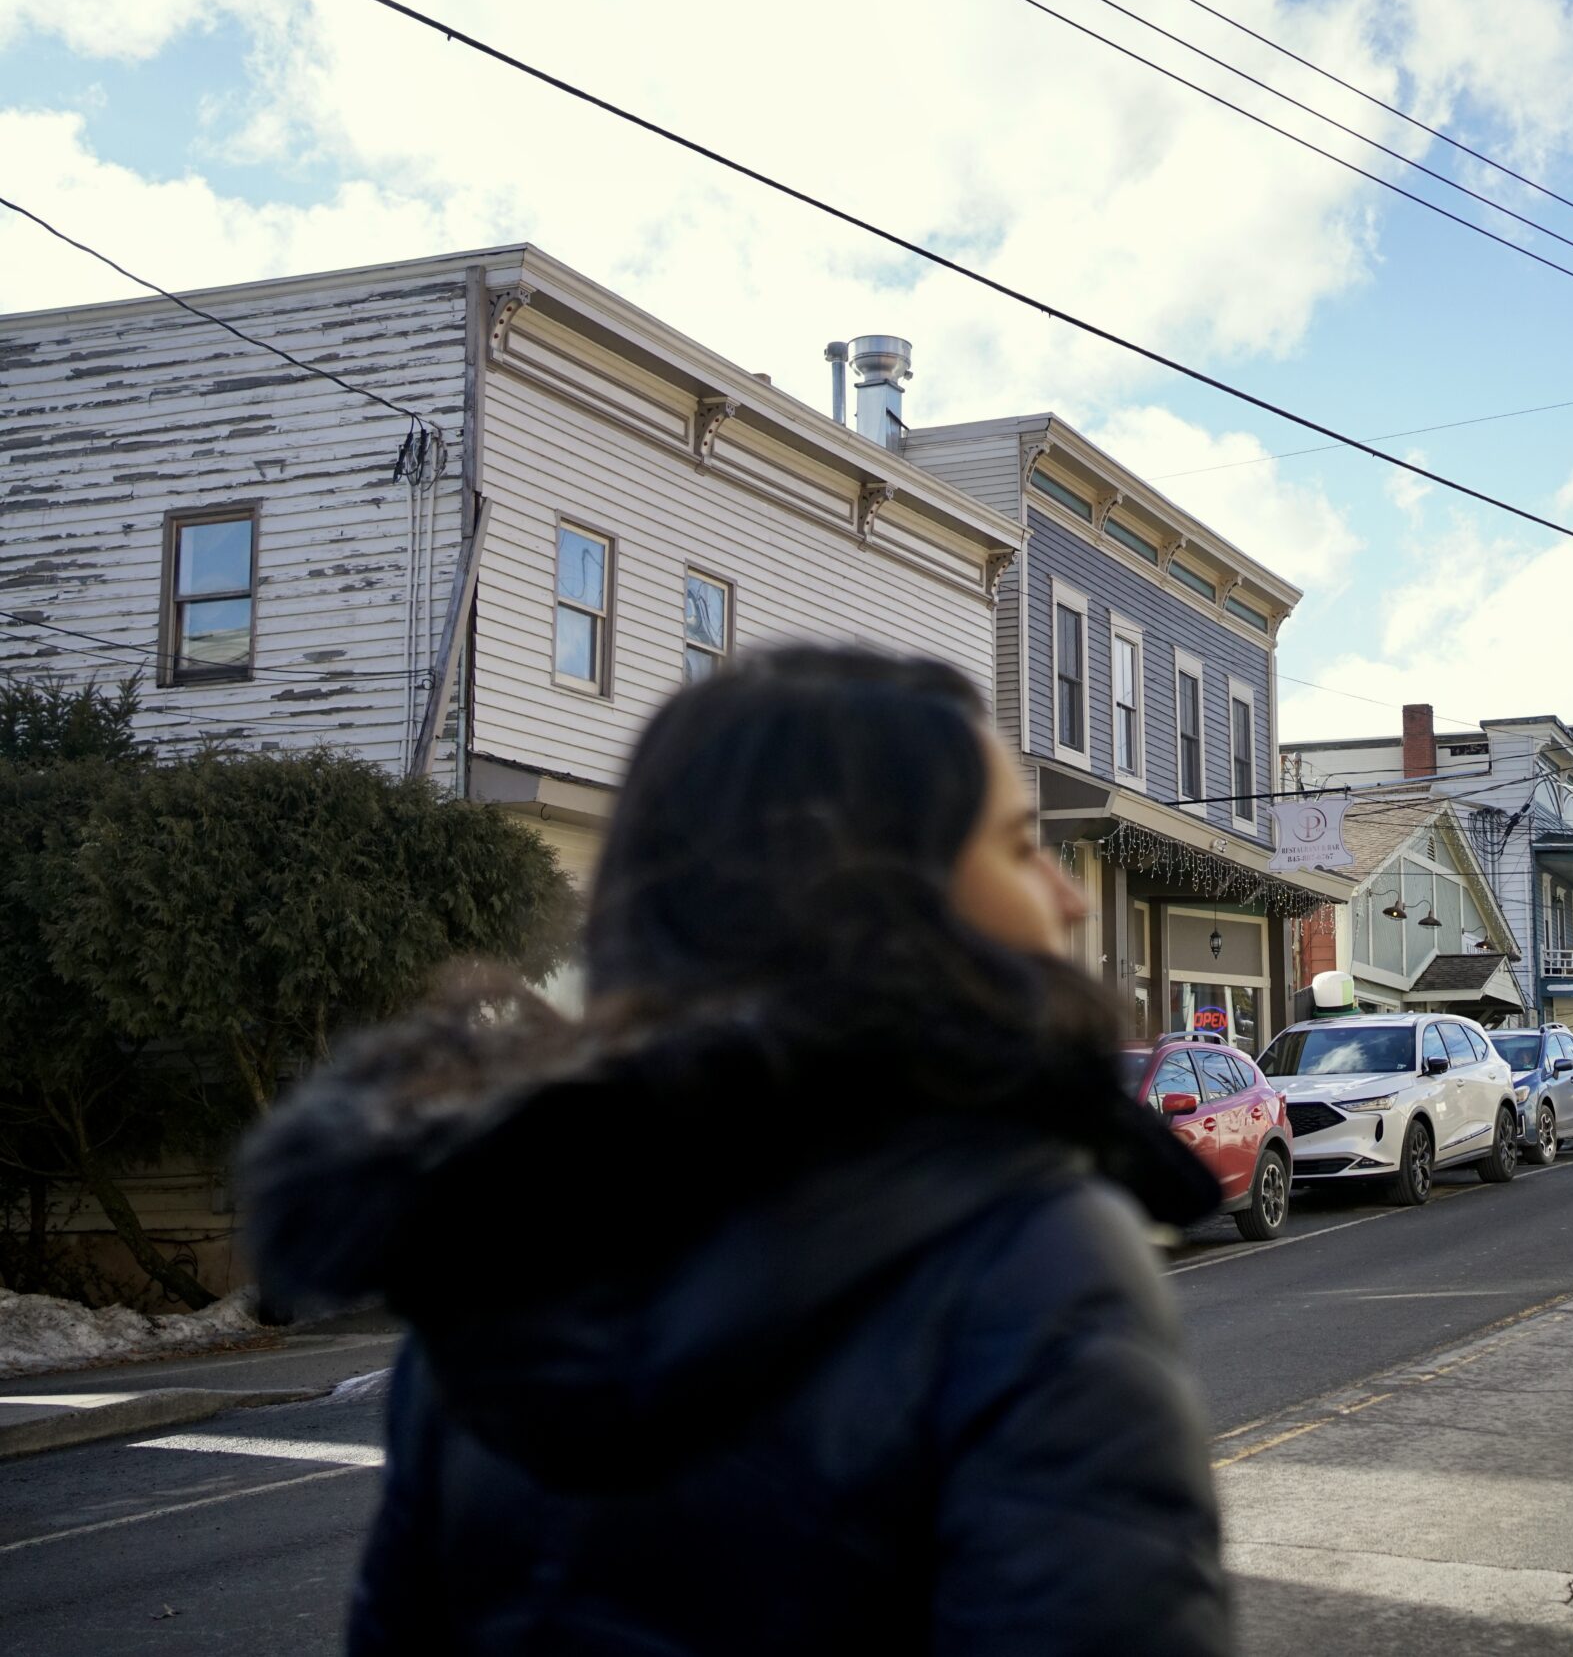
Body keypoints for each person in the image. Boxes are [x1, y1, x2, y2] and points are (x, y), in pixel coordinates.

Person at [242, 647, 1231, 1655]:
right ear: (885, 896)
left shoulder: (490, 1244)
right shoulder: (1032, 1261)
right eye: (1022, 846)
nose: (1067, 898)